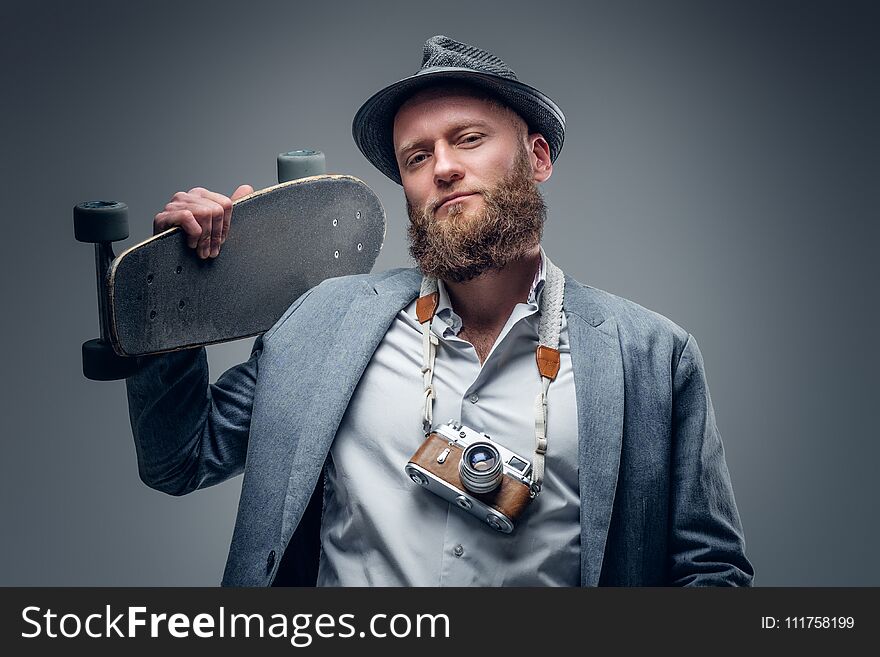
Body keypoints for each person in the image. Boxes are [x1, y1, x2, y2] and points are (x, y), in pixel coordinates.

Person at [128, 35, 754, 586]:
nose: (444, 169)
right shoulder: (322, 323)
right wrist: (177, 294)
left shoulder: (650, 355)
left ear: (537, 158)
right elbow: (178, 460)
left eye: (469, 140)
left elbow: (710, 570)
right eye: (416, 157)